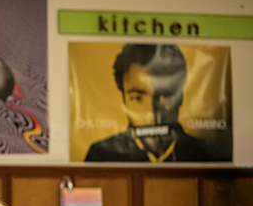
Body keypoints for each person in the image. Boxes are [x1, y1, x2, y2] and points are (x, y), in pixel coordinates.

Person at [85, 43, 216, 162]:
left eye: (164, 95)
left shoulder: (206, 155)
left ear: (180, 96)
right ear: (124, 100)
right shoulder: (100, 155)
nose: (151, 114)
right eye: (138, 98)